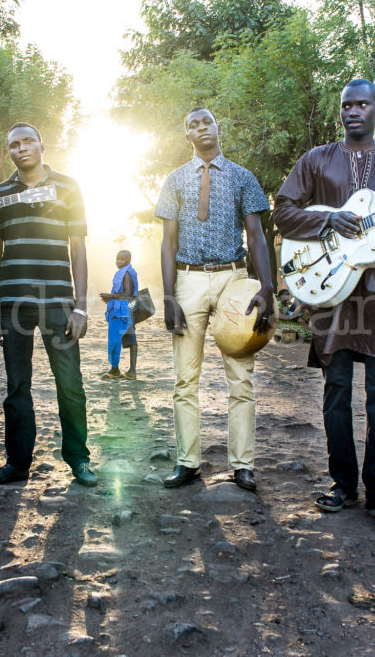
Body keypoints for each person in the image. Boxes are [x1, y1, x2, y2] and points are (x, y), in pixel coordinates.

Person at [273, 79, 375, 529]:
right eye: (346, 105)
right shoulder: (316, 160)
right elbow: (282, 211)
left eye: (362, 104)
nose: (353, 111)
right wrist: (328, 220)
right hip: (329, 288)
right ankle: (342, 483)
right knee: (336, 390)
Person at [155, 107, 275, 492]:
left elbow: (255, 236)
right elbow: (168, 242)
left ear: (218, 128)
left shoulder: (243, 177)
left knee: (241, 378)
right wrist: (169, 295)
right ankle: (188, 462)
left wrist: (267, 287)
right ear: (186, 135)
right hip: (187, 280)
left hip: (233, 279)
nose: (201, 127)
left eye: (206, 121)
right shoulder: (174, 180)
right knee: (184, 379)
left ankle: (242, 465)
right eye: (192, 124)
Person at [0, 122, 97, 487]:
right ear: (9, 152)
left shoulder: (68, 186)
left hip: (58, 301)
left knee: (70, 383)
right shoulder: (0, 194)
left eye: (28, 140)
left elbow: (78, 248)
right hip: (13, 303)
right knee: (17, 386)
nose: (21, 148)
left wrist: (81, 306)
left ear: (42, 145)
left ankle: (78, 459)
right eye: (14, 144)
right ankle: (17, 464)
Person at [99, 249, 138, 380]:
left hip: (124, 311)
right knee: (127, 337)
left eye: (122, 259)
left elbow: (126, 295)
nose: (118, 262)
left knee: (116, 338)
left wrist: (110, 296)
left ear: (129, 261)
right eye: (117, 258)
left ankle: (118, 370)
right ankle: (126, 370)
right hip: (126, 309)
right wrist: (110, 298)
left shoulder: (126, 274)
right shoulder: (126, 272)